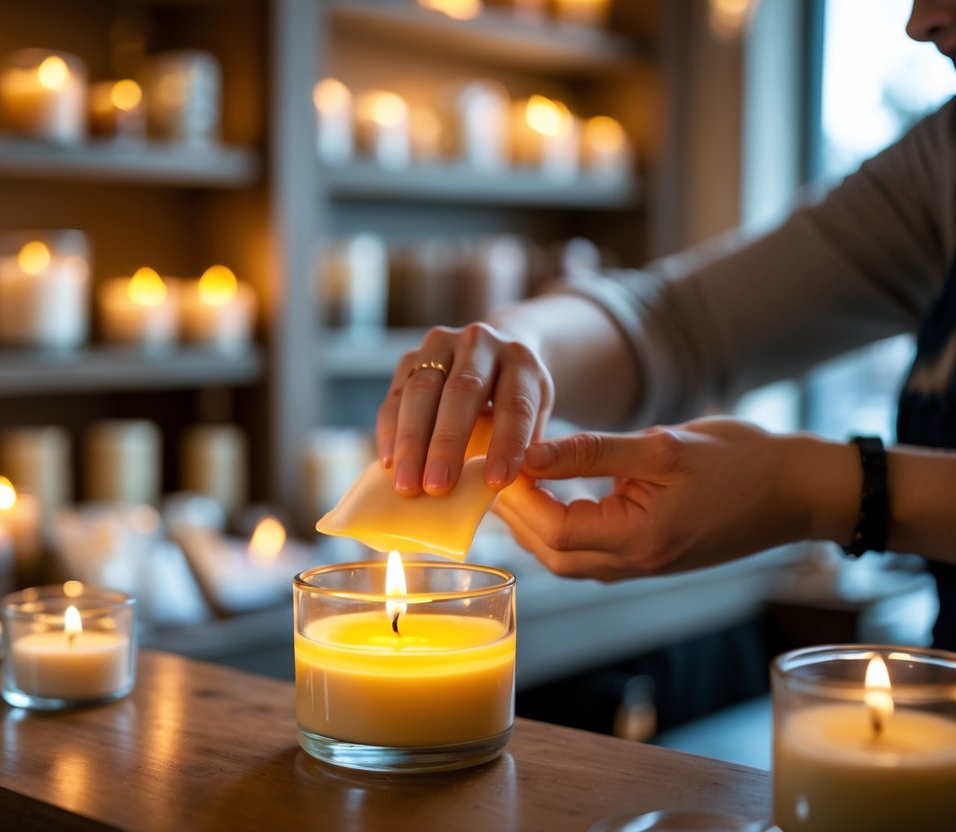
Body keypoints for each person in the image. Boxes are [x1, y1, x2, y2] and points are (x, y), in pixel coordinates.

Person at [375, 0, 956, 651]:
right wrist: (516, 345)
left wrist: (807, 490)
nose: (921, 20)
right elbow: (681, 323)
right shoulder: (943, 157)